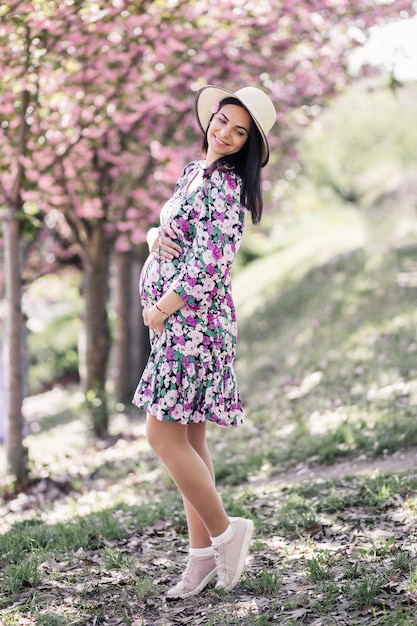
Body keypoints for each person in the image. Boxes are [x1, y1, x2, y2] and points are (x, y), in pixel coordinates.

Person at [133, 84, 276, 599]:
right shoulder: (196, 173)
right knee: (191, 440)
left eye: (240, 133)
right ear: (211, 118)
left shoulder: (226, 188)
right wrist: (154, 237)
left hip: (194, 326)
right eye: (223, 122)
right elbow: (178, 231)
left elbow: (209, 263)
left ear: (248, 146)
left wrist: (160, 307)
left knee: (161, 435)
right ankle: (201, 560)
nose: (226, 134)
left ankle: (226, 532)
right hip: (184, 326)